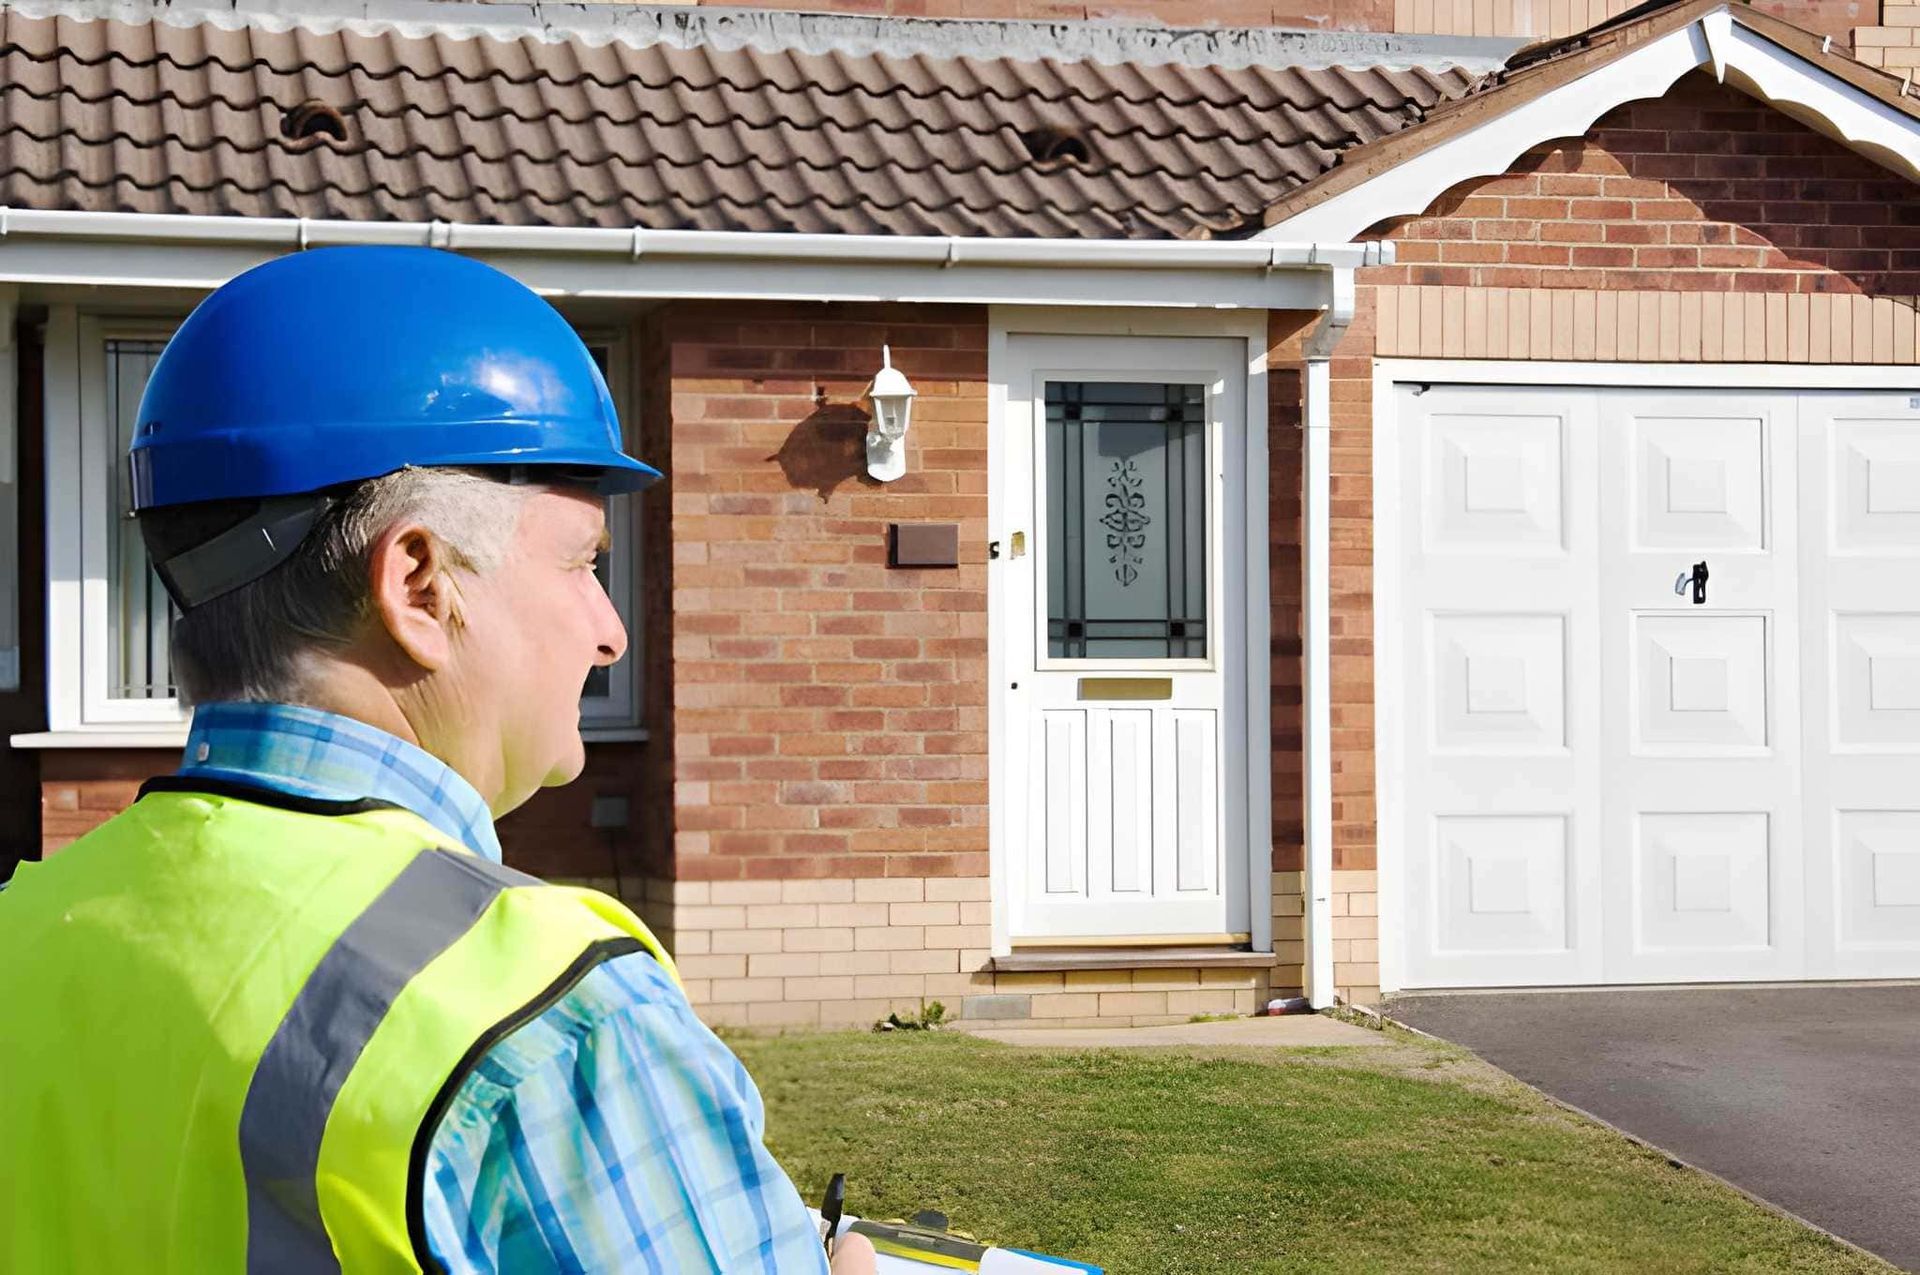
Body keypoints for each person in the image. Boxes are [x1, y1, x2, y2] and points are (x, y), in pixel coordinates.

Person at [0, 247, 877, 1275]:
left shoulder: (25, 931)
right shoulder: (554, 1023)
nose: (609, 632)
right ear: (419, 586)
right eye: (583, 564)